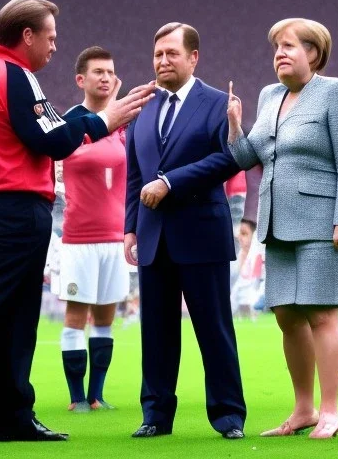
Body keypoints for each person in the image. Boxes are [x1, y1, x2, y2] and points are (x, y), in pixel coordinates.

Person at [0, 0, 154, 444]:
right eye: (50, 37)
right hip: (13, 206)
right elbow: (55, 141)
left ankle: (11, 413)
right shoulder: (15, 75)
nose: (54, 46)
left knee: (14, 312)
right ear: (26, 36)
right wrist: (105, 120)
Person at [227, 18, 338, 439]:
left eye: (288, 47)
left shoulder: (336, 92)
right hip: (276, 222)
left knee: (322, 314)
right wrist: (235, 124)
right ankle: (303, 409)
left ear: (314, 54)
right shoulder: (270, 95)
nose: (280, 54)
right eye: (276, 49)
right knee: (286, 316)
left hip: (325, 224)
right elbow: (247, 155)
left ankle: (331, 411)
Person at [124, 22, 246, 439]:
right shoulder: (142, 105)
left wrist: (171, 182)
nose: (162, 61)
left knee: (214, 329)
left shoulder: (217, 103)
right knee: (155, 333)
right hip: (152, 236)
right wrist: (130, 228)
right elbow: (135, 174)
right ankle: (155, 415)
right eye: (158, 54)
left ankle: (229, 416)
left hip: (202, 234)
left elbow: (230, 159)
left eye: (171, 53)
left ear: (194, 57)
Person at [57, 46, 129, 412]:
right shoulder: (69, 124)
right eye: (98, 71)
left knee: (104, 318)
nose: (105, 77)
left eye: (110, 71)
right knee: (75, 317)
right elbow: (60, 167)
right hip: (77, 239)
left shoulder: (124, 128)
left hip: (114, 238)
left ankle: (97, 395)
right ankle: (75, 398)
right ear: (81, 79)